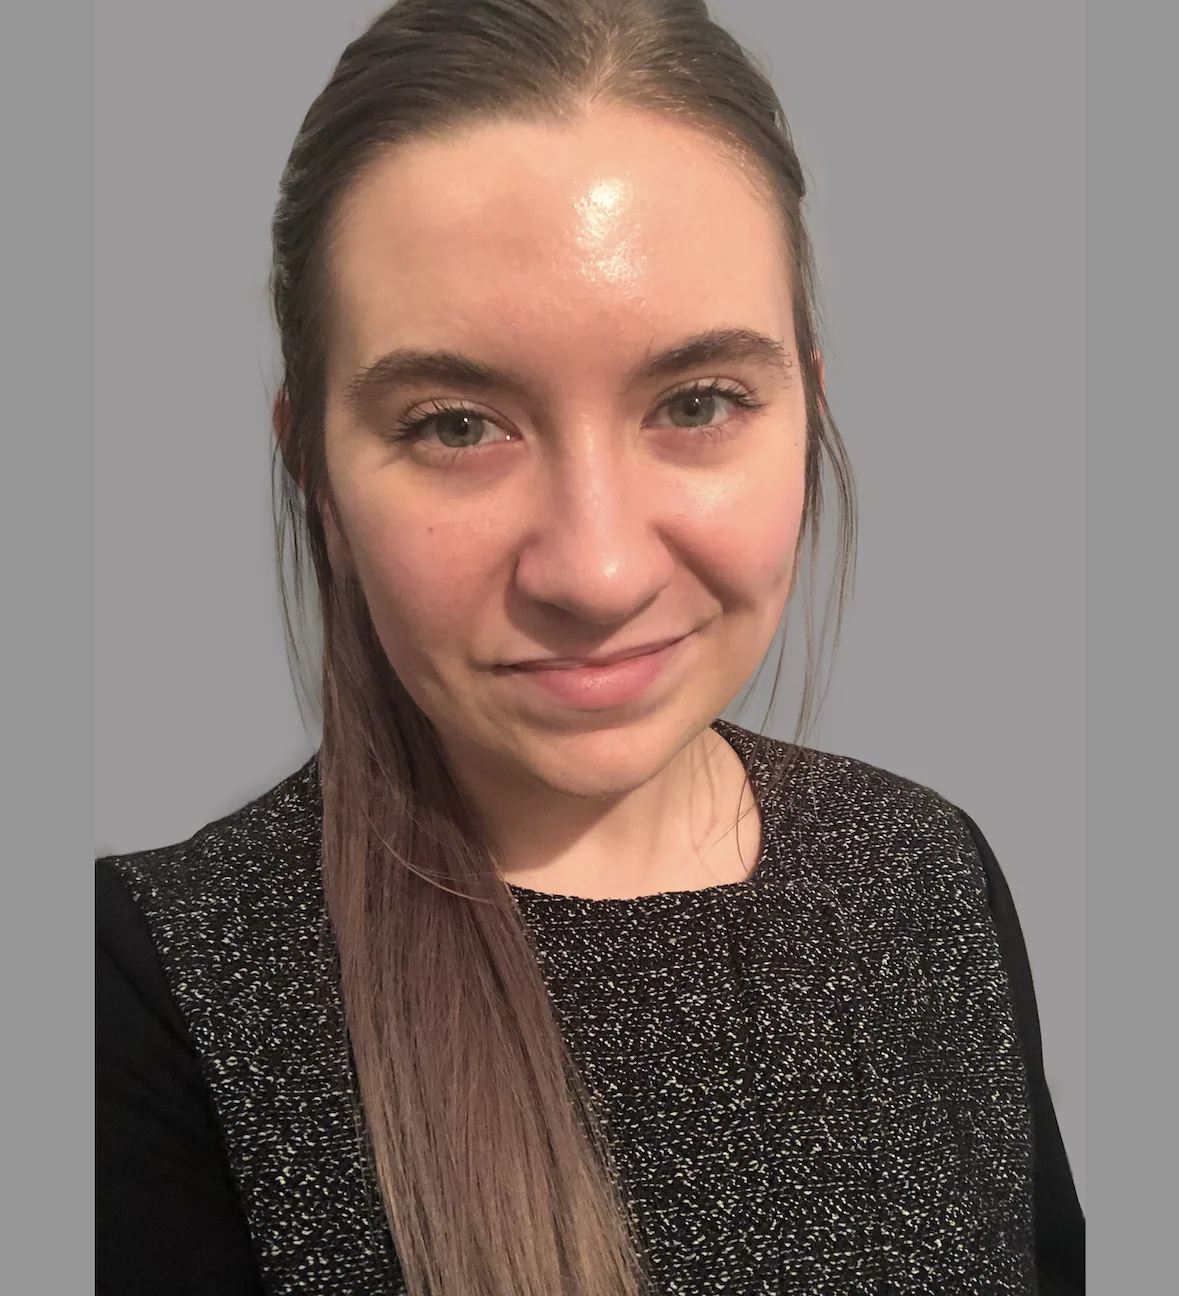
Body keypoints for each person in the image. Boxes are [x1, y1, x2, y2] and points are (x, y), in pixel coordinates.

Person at [95, 1, 1084, 1293]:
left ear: (805, 412)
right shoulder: (145, 994)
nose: (598, 571)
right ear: (313, 475)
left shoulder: (925, 869)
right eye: (456, 425)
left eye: (695, 403)